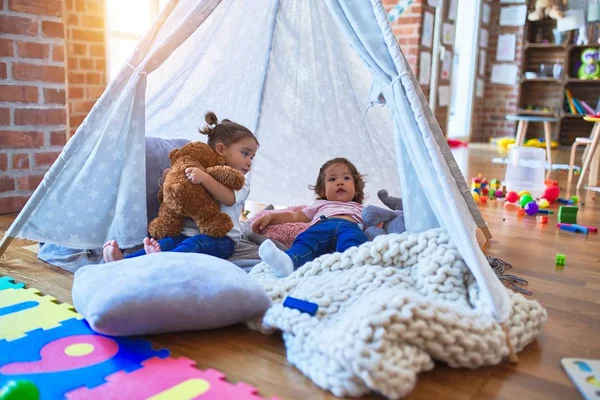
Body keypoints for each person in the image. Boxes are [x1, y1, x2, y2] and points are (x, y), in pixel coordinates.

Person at [103, 111, 259, 262]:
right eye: (245, 154)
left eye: (252, 157)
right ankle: (124, 262)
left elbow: (229, 199)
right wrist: (170, 179)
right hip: (186, 233)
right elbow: (182, 194)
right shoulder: (198, 170)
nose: (249, 162)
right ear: (221, 149)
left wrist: (204, 179)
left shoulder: (239, 181)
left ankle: (163, 261)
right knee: (166, 243)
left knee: (194, 245)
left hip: (223, 240)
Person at [252, 157, 367, 277]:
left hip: (350, 228)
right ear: (323, 191)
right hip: (322, 227)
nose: (340, 182)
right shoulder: (320, 204)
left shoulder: (362, 208)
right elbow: (295, 216)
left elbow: (378, 223)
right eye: (332, 179)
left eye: (346, 178)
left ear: (356, 188)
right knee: (306, 241)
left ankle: (352, 268)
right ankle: (289, 262)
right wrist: (271, 217)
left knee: (353, 243)